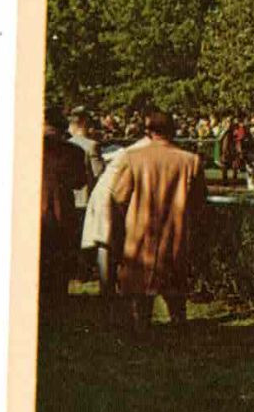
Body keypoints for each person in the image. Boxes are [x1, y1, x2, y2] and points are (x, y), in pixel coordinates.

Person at [107, 110, 206, 334]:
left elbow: (118, 198)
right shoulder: (191, 161)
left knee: (140, 289)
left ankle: (142, 327)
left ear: (148, 132)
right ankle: (178, 325)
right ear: (173, 131)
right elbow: (199, 202)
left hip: (140, 234)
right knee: (176, 286)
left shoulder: (132, 158)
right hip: (176, 234)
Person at [82, 132, 152, 303]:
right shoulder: (138, 152)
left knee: (106, 244)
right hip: (110, 196)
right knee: (106, 243)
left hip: (111, 194)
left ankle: (109, 290)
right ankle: (108, 290)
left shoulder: (133, 151)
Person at [40, 106, 91, 308]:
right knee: (59, 270)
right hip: (61, 214)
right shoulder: (73, 152)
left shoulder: (24, 146)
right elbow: (80, 182)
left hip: (32, 213)